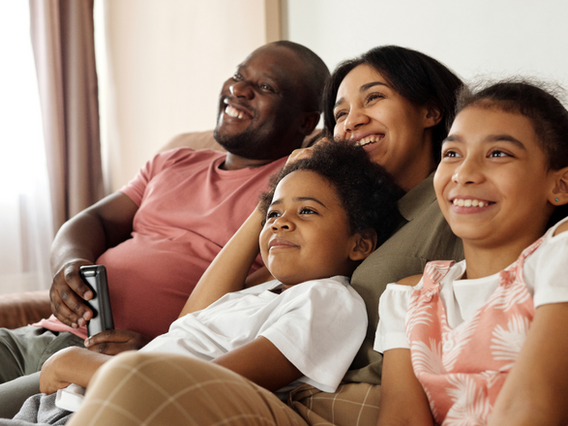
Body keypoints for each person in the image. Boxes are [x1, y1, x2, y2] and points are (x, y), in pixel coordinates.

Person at [56, 45, 466, 426]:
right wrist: (274, 197)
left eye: (373, 98)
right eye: (339, 114)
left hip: (303, 398)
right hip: (182, 377)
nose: (352, 121)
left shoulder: (451, 201)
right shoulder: (336, 226)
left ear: (430, 111)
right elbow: (195, 320)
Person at [0, 40, 330, 418]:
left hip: (118, 361)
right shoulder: (175, 160)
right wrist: (68, 263)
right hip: (44, 334)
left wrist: (162, 349)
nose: (239, 90)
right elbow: (93, 221)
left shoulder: (293, 191)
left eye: (265, 87)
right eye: (239, 76)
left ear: (306, 122)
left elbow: (249, 308)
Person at [11, 141, 401, 425]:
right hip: (71, 400)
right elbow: (188, 322)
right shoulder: (260, 291)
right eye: (273, 213)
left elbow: (211, 383)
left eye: (307, 211)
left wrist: (77, 364)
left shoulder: (329, 299)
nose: (280, 222)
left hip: (115, 406)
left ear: (360, 242)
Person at [375, 80, 568, 425]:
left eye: (498, 153)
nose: (463, 174)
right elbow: (402, 418)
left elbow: (533, 406)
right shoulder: (408, 298)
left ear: (560, 185)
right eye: (452, 154)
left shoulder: (558, 255)